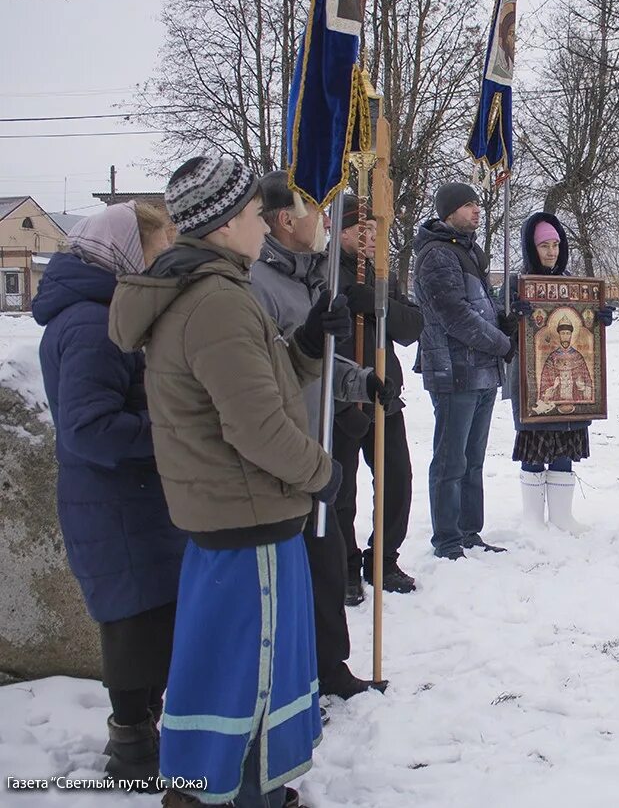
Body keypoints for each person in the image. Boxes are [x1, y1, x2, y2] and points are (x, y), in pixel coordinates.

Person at [109, 155, 346, 807]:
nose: (263, 227)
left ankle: (243, 791)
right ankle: (236, 794)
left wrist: (306, 345)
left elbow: (254, 391)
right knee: (252, 676)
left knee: (232, 670)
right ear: (220, 224)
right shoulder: (215, 302)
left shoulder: (219, 289)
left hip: (236, 519)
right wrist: (324, 474)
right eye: (251, 214)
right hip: (246, 521)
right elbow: (257, 429)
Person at [33, 202, 184, 788]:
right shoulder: (93, 324)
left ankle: (143, 730)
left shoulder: (108, 313)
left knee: (148, 618)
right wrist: (172, 436)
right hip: (113, 498)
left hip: (132, 494)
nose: (169, 250)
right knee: (130, 623)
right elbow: (89, 428)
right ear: (126, 250)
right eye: (160, 242)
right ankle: (131, 746)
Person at [250, 172, 389, 701]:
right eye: (318, 211)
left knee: (328, 561)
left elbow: (323, 361)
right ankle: (298, 677)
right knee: (300, 570)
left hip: (315, 440)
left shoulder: (312, 273)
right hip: (282, 451)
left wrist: (362, 380)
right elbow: (280, 365)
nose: (327, 221)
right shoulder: (258, 284)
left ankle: (330, 665)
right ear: (287, 221)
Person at [413, 182, 517, 559]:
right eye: (467, 205)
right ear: (448, 212)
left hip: (482, 370)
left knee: (473, 459)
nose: (476, 210)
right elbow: (456, 317)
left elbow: (480, 307)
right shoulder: (438, 255)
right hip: (455, 370)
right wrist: (503, 344)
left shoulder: (469, 252)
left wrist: (503, 323)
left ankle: (469, 531)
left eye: (477, 204)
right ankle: (447, 539)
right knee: (451, 458)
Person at [332, 196, 423, 604]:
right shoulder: (328, 272)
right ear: (341, 233)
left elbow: (411, 327)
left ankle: (383, 557)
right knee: (342, 487)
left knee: (396, 479)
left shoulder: (383, 274)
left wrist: (377, 302)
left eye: (375, 232)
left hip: (384, 392)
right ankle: (345, 564)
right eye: (362, 231)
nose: (371, 239)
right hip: (342, 396)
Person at [502, 213, 614, 533]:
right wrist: (513, 316)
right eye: (544, 246)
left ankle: (563, 516)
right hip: (533, 381)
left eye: (555, 245)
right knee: (535, 444)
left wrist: (597, 319)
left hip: (572, 393)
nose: (551, 251)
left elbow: (586, 336)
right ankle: (533, 518)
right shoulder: (518, 284)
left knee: (565, 444)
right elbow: (501, 329)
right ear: (531, 248)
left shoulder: (572, 284)